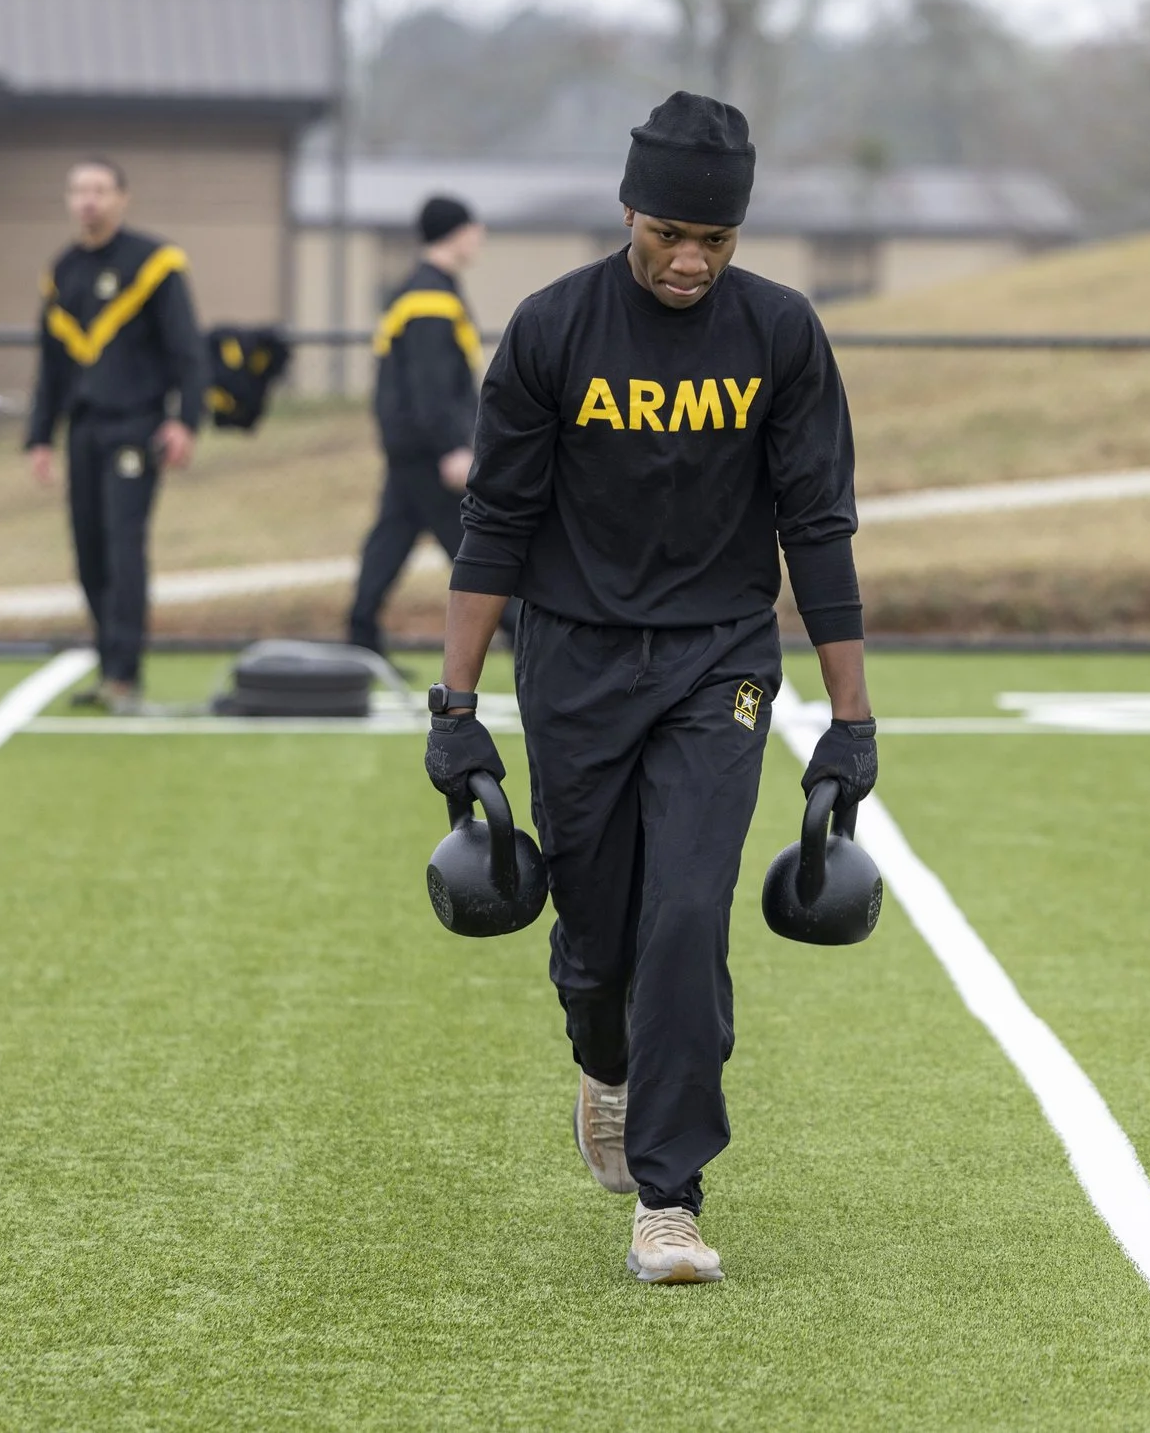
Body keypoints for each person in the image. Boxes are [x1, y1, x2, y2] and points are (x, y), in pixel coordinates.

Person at [425, 93, 879, 1286]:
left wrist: (851, 720)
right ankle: (603, 1059)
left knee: (687, 909)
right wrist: (455, 708)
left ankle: (668, 1198)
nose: (689, 260)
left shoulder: (779, 335)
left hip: (717, 661)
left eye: (715, 242)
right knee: (598, 933)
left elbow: (818, 526)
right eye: (669, 232)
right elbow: (496, 523)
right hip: (571, 655)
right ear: (629, 208)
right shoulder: (551, 330)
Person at [24, 156, 205, 715]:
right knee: (89, 552)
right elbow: (52, 366)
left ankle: (126, 676)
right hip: (84, 429)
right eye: (79, 190)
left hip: (137, 425)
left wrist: (185, 419)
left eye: (100, 190)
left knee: (124, 549)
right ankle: (107, 669)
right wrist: (39, 437)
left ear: (122, 198)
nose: (89, 200)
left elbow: (187, 350)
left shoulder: (155, 263)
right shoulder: (63, 270)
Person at [347, 195, 486, 657]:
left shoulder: (424, 289)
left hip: (411, 445)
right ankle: (519, 629)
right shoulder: (430, 297)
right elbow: (431, 383)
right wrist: (452, 447)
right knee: (476, 548)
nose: (478, 237)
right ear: (460, 232)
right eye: (474, 228)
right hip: (429, 449)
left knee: (392, 536)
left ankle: (361, 636)